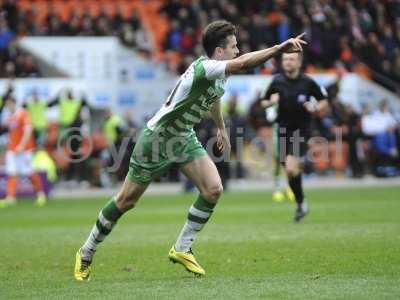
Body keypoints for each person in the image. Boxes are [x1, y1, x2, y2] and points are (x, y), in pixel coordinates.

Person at [74, 20, 307, 280]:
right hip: (158, 138)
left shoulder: (217, 74)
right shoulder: (205, 67)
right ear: (219, 51)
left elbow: (215, 96)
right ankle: (86, 250)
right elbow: (242, 64)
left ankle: (182, 248)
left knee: (213, 189)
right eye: (234, 46)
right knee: (126, 201)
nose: (238, 51)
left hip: (183, 136)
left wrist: (220, 127)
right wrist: (278, 48)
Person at [261, 52, 328, 222]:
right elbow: (263, 101)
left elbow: (323, 100)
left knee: (290, 168)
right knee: (291, 172)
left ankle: (301, 199)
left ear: (298, 63)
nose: (287, 62)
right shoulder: (277, 81)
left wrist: (315, 107)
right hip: (282, 129)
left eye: (291, 59)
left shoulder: (308, 82)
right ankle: (301, 202)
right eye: (285, 59)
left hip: (301, 130)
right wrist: (271, 101)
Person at [0, 97, 47, 208]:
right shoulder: (10, 116)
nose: (8, 107)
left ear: (14, 103)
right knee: (12, 172)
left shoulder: (23, 114)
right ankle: (10, 198)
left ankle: (41, 194)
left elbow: (28, 130)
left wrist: (22, 145)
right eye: (6, 105)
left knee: (29, 172)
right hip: (12, 149)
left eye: (9, 104)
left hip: (24, 150)